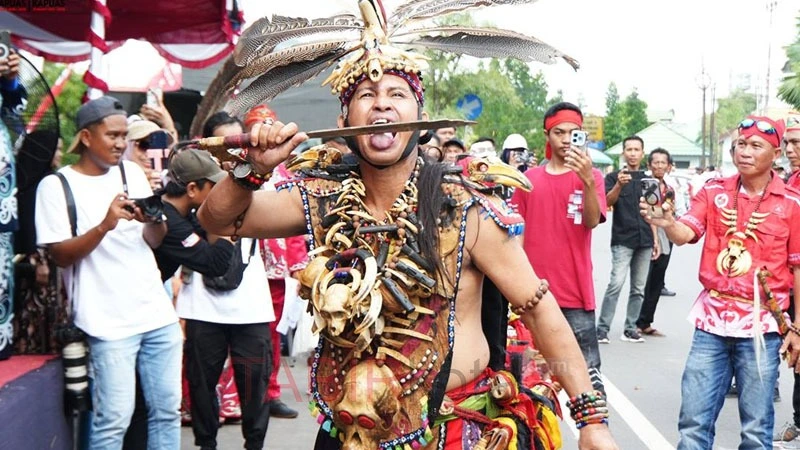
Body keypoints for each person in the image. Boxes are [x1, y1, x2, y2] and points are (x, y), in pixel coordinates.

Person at [196, 7, 618, 448]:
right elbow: (219, 219)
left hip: (454, 430)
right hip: (349, 433)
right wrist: (252, 171)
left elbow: (538, 308)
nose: (382, 103)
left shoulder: (465, 207)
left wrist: (591, 420)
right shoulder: (321, 198)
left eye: (397, 93)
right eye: (366, 94)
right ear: (344, 122)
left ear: (419, 117)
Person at [641, 115, 800, 449]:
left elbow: (798, 269)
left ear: (775, 154)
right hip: (711, 324)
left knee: (756, 432)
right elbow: (686, 232)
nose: (745, 151)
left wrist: (798, 329)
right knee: (693, 425)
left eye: (756, 146)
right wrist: (667, 222)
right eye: (740, 144)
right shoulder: (713, 191)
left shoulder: (791, 204)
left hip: (763, 329)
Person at [35, 96, 181, 448]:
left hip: (157, 315)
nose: (121, 143)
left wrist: (154, 219)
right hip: (107, 323)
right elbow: (60, 256)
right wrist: (106, 224)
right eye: (112, 135)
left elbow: (154, 240)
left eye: (123, 136)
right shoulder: (56, 186)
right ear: (86, 137)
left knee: (168, 413)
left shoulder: (131, 173)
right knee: (114, 420)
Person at [177, 114, 275, 450]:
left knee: (255, 386)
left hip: (251, 308)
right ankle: (206, 445)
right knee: (201, 385)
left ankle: (255, 445)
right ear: (209, 148)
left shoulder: (265, 180)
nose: (237, 152)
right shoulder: (194, 184)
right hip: (202, 306)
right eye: (228, 145)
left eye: (241, 143)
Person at [510, 102, 607, 393]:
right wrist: (516, 290)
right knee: (528, 384)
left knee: (588, 385)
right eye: (559, 132)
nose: (566, 139)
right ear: (547, 135)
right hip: (534, 295)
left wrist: (588, 180)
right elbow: (517, 239)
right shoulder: (527, 181)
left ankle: (594, 436)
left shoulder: (594, 178)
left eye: (573, 133)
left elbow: (592, 221)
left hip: (576, 295)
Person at [597, 135, 657, 344]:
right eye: (629, 149)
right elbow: (606, 202)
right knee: (615, 284)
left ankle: (630, 328)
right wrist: (619, 186)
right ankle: (602, 329)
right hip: (623, 239)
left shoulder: (649, 180)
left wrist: (656, 240)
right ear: (623, 152)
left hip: (646, 240)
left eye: (636, 149)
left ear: (642, 153)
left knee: (638, 289)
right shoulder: (614, 178)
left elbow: (653, 211)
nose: (632, 153)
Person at [13, 131, 64, 355]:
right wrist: (38, 258)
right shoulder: (33, 181)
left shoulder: (44, 178)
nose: (60, 155)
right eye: (57, 149)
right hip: (35, 260)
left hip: (43, 257)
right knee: (35, 308)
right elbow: (29, 222)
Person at [635, 148, 676, 337]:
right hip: (649, 235)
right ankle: (635, 321)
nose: (659, 166)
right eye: (656, 162)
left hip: (667, 236)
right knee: (644, 281)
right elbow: (650, 216)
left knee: (657, 282)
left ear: (669, 166)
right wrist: (654, 240)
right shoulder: (646, 187)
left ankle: (646, 322)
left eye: (663, 163)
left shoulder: (669, 189)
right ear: (649, 165)